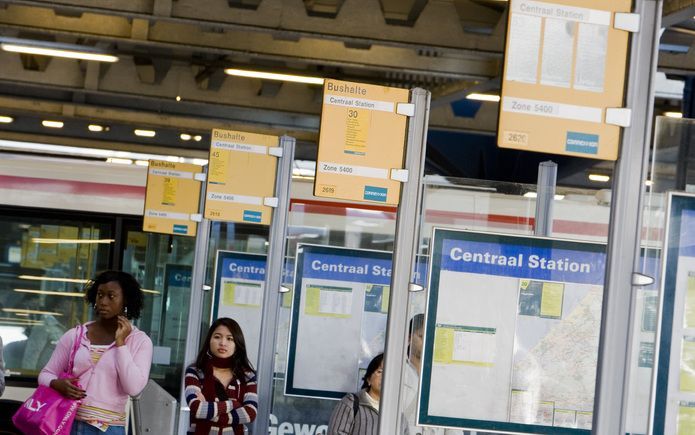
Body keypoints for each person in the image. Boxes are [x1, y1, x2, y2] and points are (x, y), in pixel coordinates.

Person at [39, 270, 153, 435]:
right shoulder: (76, 335)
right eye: (100, 295)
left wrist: (121, 344)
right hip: (69, 423)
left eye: (111, 296)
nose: (103, 302)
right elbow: (45, 375)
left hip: (110, 429)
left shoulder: (139, 341)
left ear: (126, 300)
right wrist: (58, 384)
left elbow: (133, 388)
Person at [185, 317, 258, 435]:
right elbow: (197, 408)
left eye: (230, 339)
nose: (223, 343)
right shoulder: (195, 372)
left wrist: (209, 411)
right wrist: (233, 404)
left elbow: (250, 413)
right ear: (209, 340)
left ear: (237, 344)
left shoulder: (247, 376)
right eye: (217, 337)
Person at [401, 314, 463, 435]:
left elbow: (452, 424)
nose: (427, 342)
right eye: (421, 336)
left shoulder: (445, 378)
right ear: (409, 338)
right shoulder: (395, 372)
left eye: (432, 338)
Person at [328, 353, 383, 435]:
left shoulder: (398, 413)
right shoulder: (350, 403)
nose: (385, 376)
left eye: (390, 373)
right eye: (380, 371)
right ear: (368, 379)